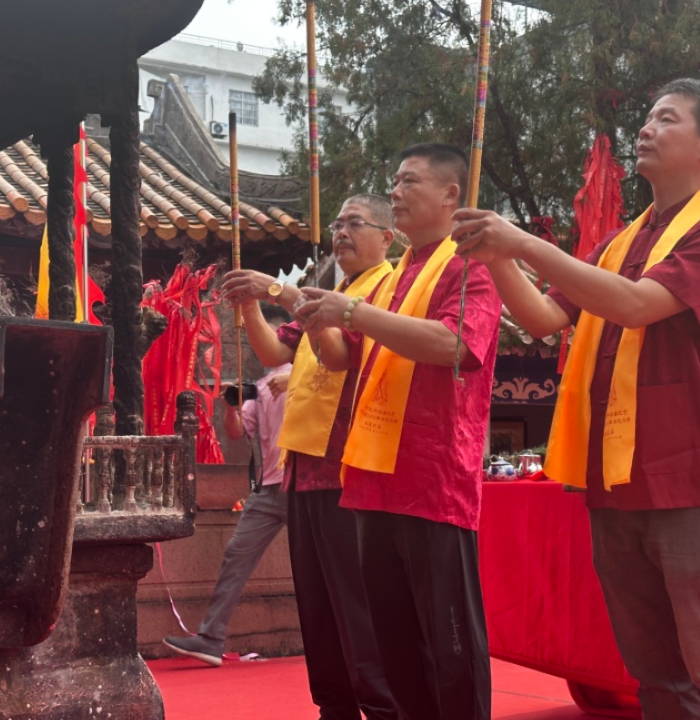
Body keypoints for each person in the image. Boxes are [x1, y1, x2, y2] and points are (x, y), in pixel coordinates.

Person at [451, 78, 700, 719]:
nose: (646, 128)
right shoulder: (620, 244)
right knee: (657, 679)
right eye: (648, 117)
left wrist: (524, 243)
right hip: (616, 485)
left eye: (667, 119)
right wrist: (495, 254)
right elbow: (542, 318)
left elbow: (635, 305)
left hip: (693, 484)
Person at [296, 143, 501, 720]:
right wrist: (316, 321)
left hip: (433, 477)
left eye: (410, 181)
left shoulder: (470, 264)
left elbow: (454, 345)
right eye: (395, 181)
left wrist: (350, 313)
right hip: (373, 477)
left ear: (451, 195)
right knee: (395, 644)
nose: (396, 192)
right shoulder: (394, 278)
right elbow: (343, 358)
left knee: (450, 646)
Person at [220, 194, 403, 720]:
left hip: (348, 464)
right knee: (318, 603)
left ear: (386, 237)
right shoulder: (333, 292)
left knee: (356, 600)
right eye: (338, 223)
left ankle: (381, 705)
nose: (341, 232)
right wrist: (250, 305)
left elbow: (344, 356)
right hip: (302, 465)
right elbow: (275, 353)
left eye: (355, 223)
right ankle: (335, 705)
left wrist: (276, 288)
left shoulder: (389, 288)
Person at [163, 304, 293, 667]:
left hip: (303, 484)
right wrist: (230, 406)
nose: (264, 342)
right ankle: (211, 638)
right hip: (268, 488)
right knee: (236, 554)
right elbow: (237, 433)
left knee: (326, 566)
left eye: (273, 334)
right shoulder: (261, 386)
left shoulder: (306, 374)